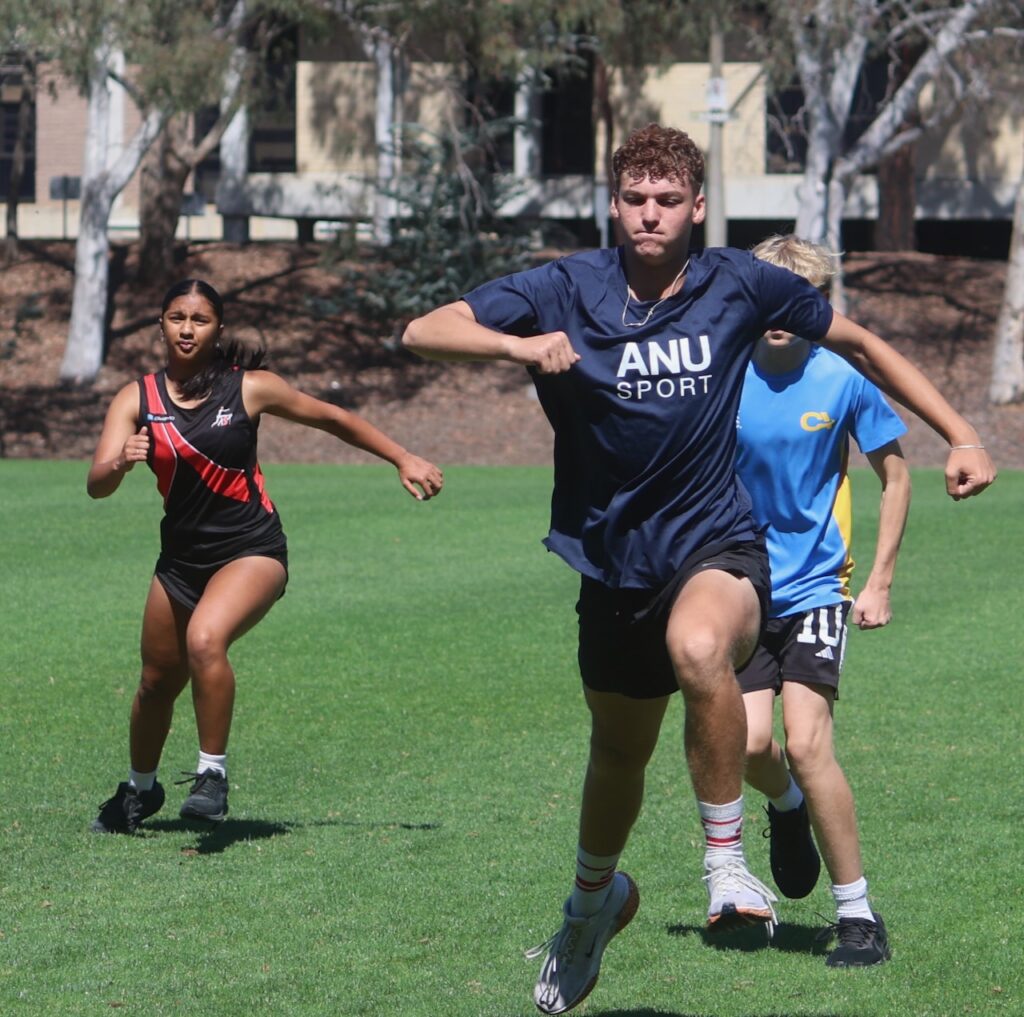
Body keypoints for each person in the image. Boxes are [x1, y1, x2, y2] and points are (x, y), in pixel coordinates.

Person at [402, 123, 994, 1015]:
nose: (650, 214)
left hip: (718, 545)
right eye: (635, 198)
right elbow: (424, 330)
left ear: (699, 207)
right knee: (617, 753)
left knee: (700, 642)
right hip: (610, 561)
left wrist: (964, 432)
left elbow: (863, 343)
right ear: (613, 202)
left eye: (668, 199)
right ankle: (590, 906)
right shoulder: (565, 286)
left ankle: (725, 863)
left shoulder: (736, 283)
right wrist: (519, 347)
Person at [89, 278, 443, 834]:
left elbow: (331, 417)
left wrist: (401, 457)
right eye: (176, 317)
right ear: (160, 324)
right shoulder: (136, 399)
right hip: (181, 561)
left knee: (205, 640)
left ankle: (212, 776)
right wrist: (120, 461)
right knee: (156, 681)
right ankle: (139, 789)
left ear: (218, 330)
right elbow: (96, 484)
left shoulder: (250, 388)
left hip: (252, 550)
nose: (187, 328)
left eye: (200, 319)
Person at [735, 234, 911, 967]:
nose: (782, 310)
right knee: (746, 744)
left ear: (817, 304)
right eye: (770, 293)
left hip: (815, 586)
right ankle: (786, 808)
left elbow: (895, 478)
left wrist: (878, 581)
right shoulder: (721, 373)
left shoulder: (843, 378)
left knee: (808, 743)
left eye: (798, 295)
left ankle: (859, 915)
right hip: (736, 585)